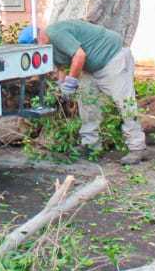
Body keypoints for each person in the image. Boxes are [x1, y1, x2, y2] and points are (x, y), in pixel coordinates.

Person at [40, 19, 147, 165]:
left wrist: (71, 82)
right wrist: (61, 86)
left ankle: (137, 147)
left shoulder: (56, 33)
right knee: (86, 103)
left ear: (40, 36)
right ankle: (91, 145)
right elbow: (60, 67)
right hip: (91, 67)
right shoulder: (47, 47)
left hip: (112, 56)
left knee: (124, 102)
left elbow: (79, 56)